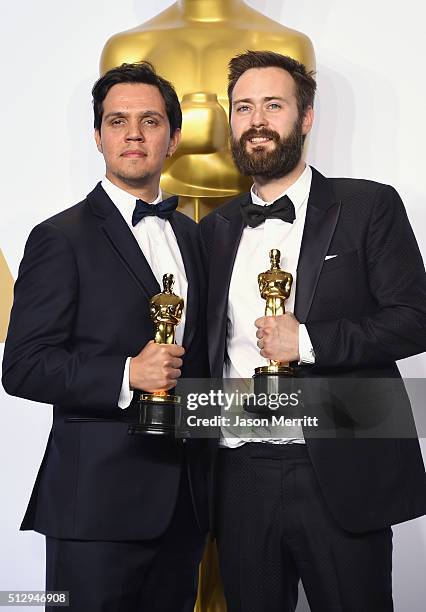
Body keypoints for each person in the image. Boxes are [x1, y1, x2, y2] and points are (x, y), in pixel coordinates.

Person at [199, 50, 426, 612]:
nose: (256, 121)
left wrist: (307, 341)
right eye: (244, 107)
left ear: (306, 117)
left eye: (273, 105)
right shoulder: (213, 229)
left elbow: (414, 319)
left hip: (341, 468)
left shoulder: (368, 204)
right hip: (239, 472)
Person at [2, 62, 210, 612]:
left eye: (150, 120)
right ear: (98, 137)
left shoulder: (192, 235)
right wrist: (126, 375)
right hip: (93, 512)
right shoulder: (58, 237)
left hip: (184, 507)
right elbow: (22, 365)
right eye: (117, 121)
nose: (134, 133)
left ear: (174, 136)